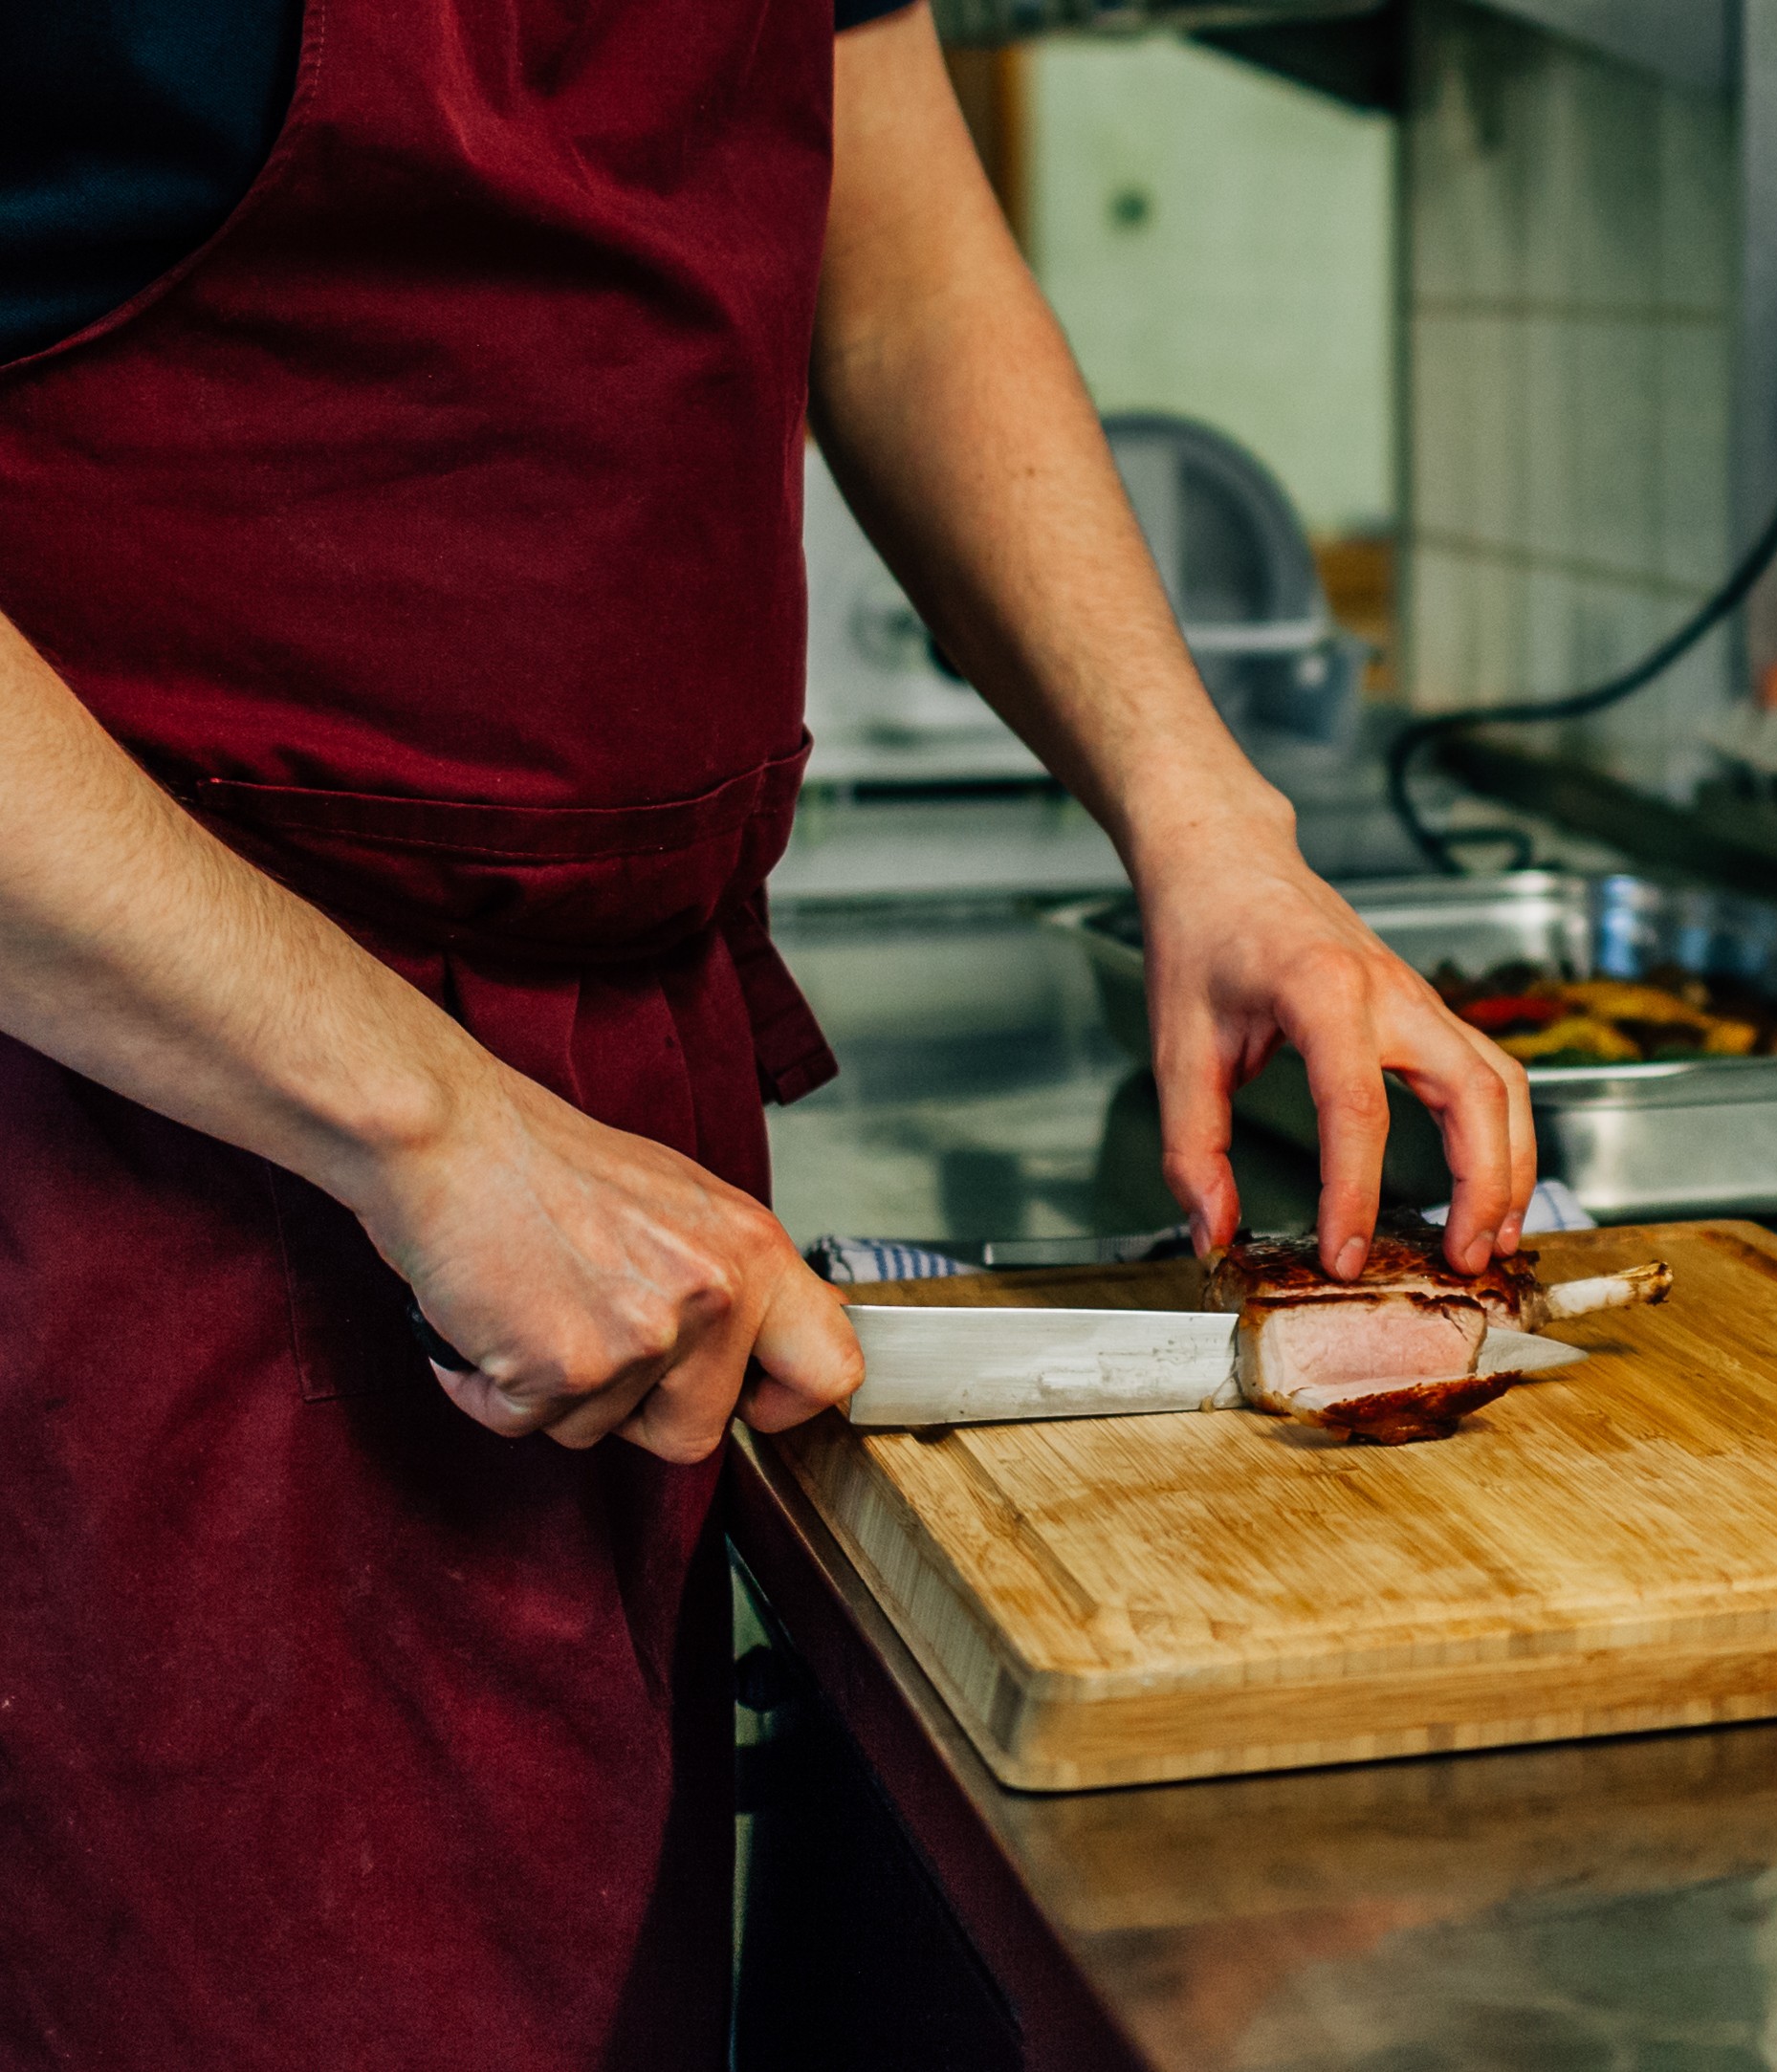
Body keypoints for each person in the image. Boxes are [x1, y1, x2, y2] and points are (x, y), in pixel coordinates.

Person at [0, 0, 1530, 2060]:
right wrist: (430, 1131)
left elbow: (889, 270)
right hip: (138, 1126)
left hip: (615, 1135)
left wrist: (1201, 815)